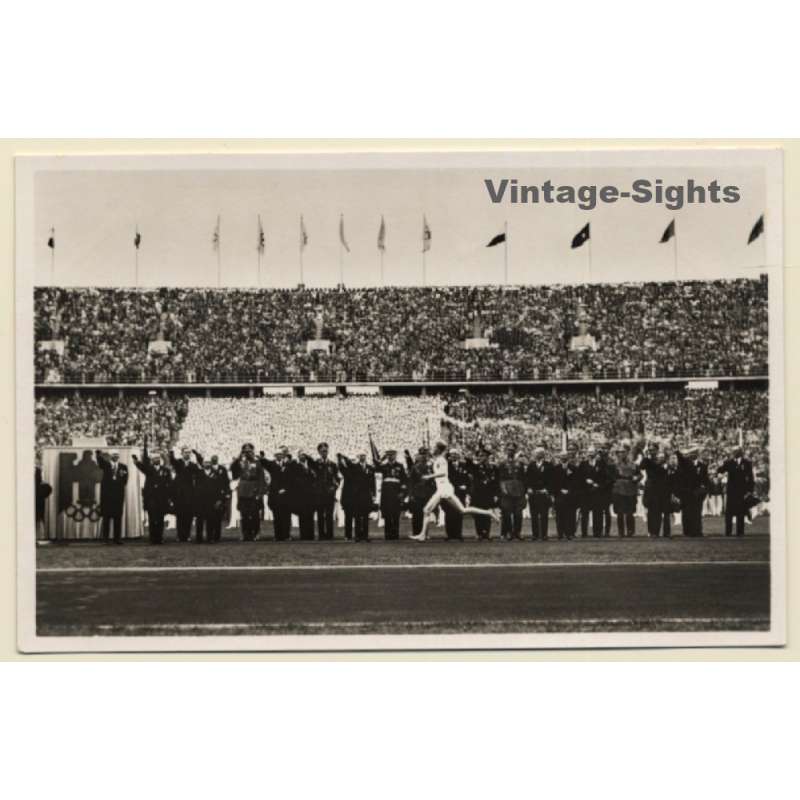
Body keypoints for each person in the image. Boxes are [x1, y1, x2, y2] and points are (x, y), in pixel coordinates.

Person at [411, 441, 498, 542]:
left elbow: (443, 473)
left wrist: (429, 476)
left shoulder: (442, 460)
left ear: (439, 449)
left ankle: (488, 512)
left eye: (435, 447)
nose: (433, 449)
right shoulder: (438, 459)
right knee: (428, 510)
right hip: (442, 488)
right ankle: (422, 535)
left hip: (444, 488)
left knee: (461, 510)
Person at [131, 436, 172, 545]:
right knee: (152, 518)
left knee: (160, 519)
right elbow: (141, 466)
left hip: (162, 498)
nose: (156, 460)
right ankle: (153, 538)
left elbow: (170, 484)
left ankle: (159, 537)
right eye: (154, 459)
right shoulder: (149, 470)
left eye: (157, 459)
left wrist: (169, 498)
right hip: (151, 498)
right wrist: (136, 461)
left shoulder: (166, 471)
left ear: (160, 460)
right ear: (152, 460)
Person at [716, 445, 755, 537]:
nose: (734, 453)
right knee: (729, 512)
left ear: (740, 452)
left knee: (740, 512)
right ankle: (728, 532)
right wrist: (720, 468)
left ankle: (740, 532)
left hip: (742, 491)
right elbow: (720, 470)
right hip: (732, 491)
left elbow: (750, 478)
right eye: (733, 451)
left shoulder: (747, 463)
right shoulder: (729, 463)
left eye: (736, 451)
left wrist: (750, 490)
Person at [230, 443, 266, 541]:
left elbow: (261, 477)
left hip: (254, 487)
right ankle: (245, 533)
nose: (247, 453)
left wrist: (260, 492)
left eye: (249, 451)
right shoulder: (240, 462)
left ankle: (255, 533)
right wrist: (238, 458)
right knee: (244, 513)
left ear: (253, 451)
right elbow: (233, 471)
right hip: (243, 488)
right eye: (245, 451)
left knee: (254, 513)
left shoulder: (257, 462)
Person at [338, 451, 375, 542]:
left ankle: (365, 535)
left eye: (364, 455)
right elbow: (345, 467)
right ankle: (358, 535)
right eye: (361, 456)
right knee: (357, 516)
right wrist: (341, 459)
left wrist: (373, 494)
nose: (363, 457)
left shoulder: (370, 468)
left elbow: (372, 482)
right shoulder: (355, 467)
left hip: (366, 495)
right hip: (357, 496)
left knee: (366, 516)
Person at [194, 451, 231, 543]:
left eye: (209, 462)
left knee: (210, 520)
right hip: (201, 500)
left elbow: (219, 487)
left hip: (212, 500)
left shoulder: (216, 473)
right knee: (200, 520)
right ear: (203, 464)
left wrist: (219, 499)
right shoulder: (199, 473)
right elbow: (196, 487)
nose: (208, 464)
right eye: (206, 462)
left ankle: (210, 537)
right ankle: (199, 538)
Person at [638, 443, 673, 538]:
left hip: (664, 490)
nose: (651, 452)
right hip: (653, 490)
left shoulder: (663, 464)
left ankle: (666, 532)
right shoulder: (650, 462)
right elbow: (641, 466)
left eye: (653, 450)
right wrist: (645, 456)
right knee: (653, 511)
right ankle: (653, 531)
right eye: (650, 450)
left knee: (665, 511)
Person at [676, 444, 711, 537]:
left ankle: (697, 531)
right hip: (687, 492)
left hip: (697, 492)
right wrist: (677, 452)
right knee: (687, 512)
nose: (690, 455)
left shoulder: (702, 466)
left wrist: (704, 489)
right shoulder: (686, 464)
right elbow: (681, 460)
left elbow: (705, 479)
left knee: (697, 512)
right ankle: (688, 531)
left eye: (692, 453)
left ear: (696, 454)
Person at [96, 448, 128, 544]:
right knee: (106, 517)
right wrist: (98, 455)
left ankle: (117, 539)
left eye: (117, 455)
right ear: (110, 456)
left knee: (117, 517)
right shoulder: (106, 465)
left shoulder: (123, 467)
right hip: (108, 495)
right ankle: (105, 539)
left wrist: (118, 485)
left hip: (118, 495)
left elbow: (125, 480)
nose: (115, 457)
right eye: (114, 455)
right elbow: (101, 462)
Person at [465, 447, 498, 540]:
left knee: (488, 513)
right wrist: (468, 457)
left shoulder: (492, 467)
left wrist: (495, 494)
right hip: (478, 493)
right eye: (479, 456)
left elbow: (495, 481)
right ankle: (479, 532)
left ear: (487, 457)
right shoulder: (476, 466)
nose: (481, 457)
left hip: (488, 493)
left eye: (483, 456)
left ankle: (486, 532)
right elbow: (469, 466)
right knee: (478, 513)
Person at [579, 446, 611, 538]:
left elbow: (605, 477)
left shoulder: (600, 464)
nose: (590, 454)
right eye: (589, 452)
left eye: (592, 452)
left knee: (598, 512)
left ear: (595, 453)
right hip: (586, 492)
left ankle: (597, 532)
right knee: (585, 513)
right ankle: (584, 532)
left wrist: (599, 485)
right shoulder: (583, 464)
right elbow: (579, 477)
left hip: (597, 492)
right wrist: (586, 481)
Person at [260, 449, 292, 541]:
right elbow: (265, 463)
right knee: (277, 515)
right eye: (277, 454)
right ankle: (278, 535)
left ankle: (287, 534)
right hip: (275, 493)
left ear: (282, 456)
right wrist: (262, 457)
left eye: (280, 454)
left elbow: (289, 479)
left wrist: (285, 488)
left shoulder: (287, 465)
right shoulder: (272, 465)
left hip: (285, 493)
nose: (279, 456)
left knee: (286, 515)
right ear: (275, 455)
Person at [375, 449, 407, 541]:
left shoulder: (400, 466)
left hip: (396, 492)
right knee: (387, 513)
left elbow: (404, 480)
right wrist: (379, 462)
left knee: (396, 513)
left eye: (392, 455)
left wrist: (402, 493)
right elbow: (375, 469)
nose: (390, 457)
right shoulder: (384, 466)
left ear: (395, 455)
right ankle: (387, 534)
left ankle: (395, 533)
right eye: (388, 455)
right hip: (386, 493)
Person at [497, 444, 527, 540]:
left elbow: (523, 477)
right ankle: (508, 532)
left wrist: (523, 490)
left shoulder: (520, 463)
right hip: (507, 488)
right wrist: (503, 488)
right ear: (506, 451)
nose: (511, 452)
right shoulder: (502, 463)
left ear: (515, 451)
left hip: (518, 488)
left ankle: (517, 532)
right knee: (507, 512)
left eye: (513, 450)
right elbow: (500, 478)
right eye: (509, 450)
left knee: (518, 512)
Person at [170, 446, 200, 542]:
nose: (187, 454)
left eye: (188, 452)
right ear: (182, 454)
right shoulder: (179, 463)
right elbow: (172, 461)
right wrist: (171, 453)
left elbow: (200, 471)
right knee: (180, 515)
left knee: (188, 516)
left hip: (190, 493)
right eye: (185, 452)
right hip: (179, 493)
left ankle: (187, 535)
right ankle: (180, 535)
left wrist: (197, 455)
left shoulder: (193, 465)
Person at [311, 442, 340, 541]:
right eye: (322, 451)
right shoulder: (316, 464)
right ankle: (321, 534)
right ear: (319, 452)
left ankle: (330, 534)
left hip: (329, 493)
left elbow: (337, 478)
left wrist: (334, 487)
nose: (324, 453)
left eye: (326, 451)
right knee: (320, 514)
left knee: (329, 514)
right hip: (319, 493)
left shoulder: (332, 464)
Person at [611, 443, 640, 537]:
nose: (621, 454)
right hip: (619, 489)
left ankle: (631, 531)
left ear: (627, 452)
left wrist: (637, 478)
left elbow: (639, 474)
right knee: (619, 512)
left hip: (630, 488)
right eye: (619, 453)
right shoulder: (614, 465)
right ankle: (621, 531)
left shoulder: (633, 464)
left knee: (630, 512)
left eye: (623, 452)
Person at [443, 447, 472, 541]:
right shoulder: (446, 465)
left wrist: (466, 486)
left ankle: (458, 534)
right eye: (451, 454)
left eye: (455, 454)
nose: (453, 456)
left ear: (458, 455)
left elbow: (468, 477)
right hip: (450, 491)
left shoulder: (463, 465)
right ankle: (449, 534)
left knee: (459, 512)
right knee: (449, 513)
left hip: (461, 492)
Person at [526, 443, 554, 541]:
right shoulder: (531, 465)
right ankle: (535, 534)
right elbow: (527, 479)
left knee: (544, 515)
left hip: (544, 493)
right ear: (534, 454)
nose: (539, 454)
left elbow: (552, 479)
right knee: (534, 515)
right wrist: (528, 488)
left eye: (541, 453)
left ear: (544, 454)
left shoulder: (548, 465)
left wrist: (547, 489)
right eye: (537, 453)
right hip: (534, 493)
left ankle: (544, 534)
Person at [553, 444, 582, 540]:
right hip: (560, 495)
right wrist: (560, 490)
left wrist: (569, 490)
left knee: (570, 514)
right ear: (560, 458)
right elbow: (554, 481)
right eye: (562, 456)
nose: (564, 458)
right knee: (560, 514)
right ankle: (560, 533)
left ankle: (569, 533)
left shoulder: (573, 468)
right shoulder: (556, 468)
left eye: (565, 456)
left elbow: (576, 481)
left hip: (570, 495)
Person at [406, 448, 434, 538]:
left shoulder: (430, 466)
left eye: (425, 455)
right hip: (417, 492)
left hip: (427, 492)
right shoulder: (415, 467)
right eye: (421, 455)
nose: (423, 457)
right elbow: (410, 482)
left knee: (426, 513)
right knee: (417, 514)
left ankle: (425, 533)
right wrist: (410, 495)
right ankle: (416, 532)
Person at [290, 451, 317, 540]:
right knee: (302, 515)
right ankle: (303, 535)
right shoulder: (296, 466)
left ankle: (310, 535)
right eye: (302, 455)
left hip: (311, 495)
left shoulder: (310, 466)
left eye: (305, 455)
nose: (303, 457)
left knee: (310, 515)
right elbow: (295, 479)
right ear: (298, 456)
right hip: (301, 494)